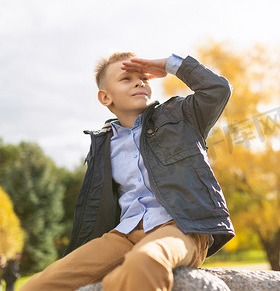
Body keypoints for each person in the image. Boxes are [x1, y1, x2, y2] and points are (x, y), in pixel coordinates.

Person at [21, 53, 235, 291]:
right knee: (38, 285)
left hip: (181, 227)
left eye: (143, 78)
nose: (139, 82)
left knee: (144, 262)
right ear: (105, 97)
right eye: (126, 78)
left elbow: (217, 90)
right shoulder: (102, 145)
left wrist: (167, 65)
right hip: (123, 235)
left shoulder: (180, 117)